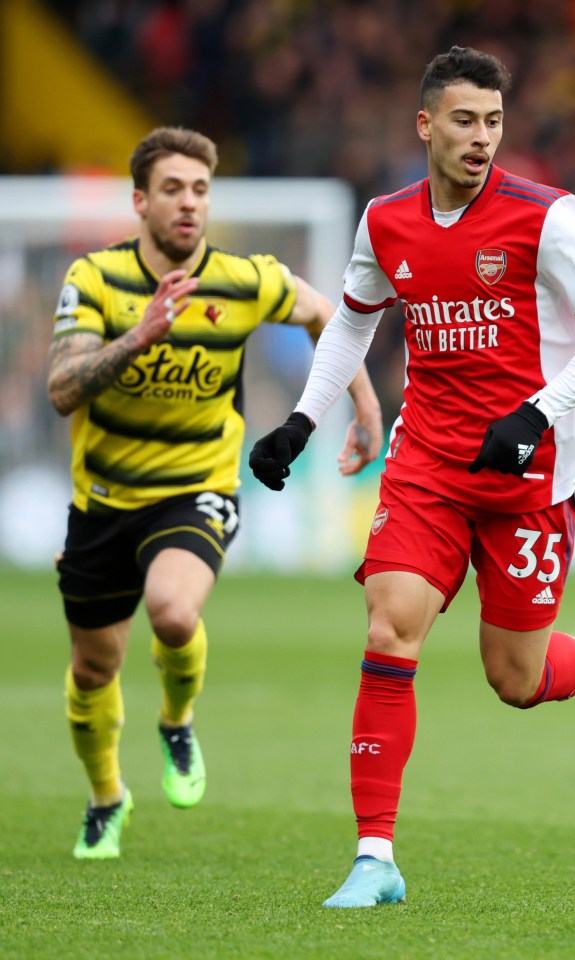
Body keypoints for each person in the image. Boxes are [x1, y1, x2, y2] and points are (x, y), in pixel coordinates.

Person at [249, 46, 575, 909]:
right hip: (428, 462)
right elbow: (352, 328)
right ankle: (375, 857)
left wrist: (538, 413)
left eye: (494, 122)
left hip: (529, 474)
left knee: (515, 678)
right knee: (390, 627)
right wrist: (301, 423)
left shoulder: (549, 215)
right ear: (426, 125)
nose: (481, 139)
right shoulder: (385, 221)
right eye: (465, 121)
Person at [47, 126, 383, 860]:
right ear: (141, 201)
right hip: (103, 500)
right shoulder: (95, 279)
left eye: (199, 189)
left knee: (172, 612)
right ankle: (107, 795)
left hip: (197, 486)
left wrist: (362, 404)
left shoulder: (244, 278)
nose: (188, 204)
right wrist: (138, 337)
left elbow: (332, 315)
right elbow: (61, 389)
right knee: (93, 668)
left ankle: (176, 720)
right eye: (172, 189)